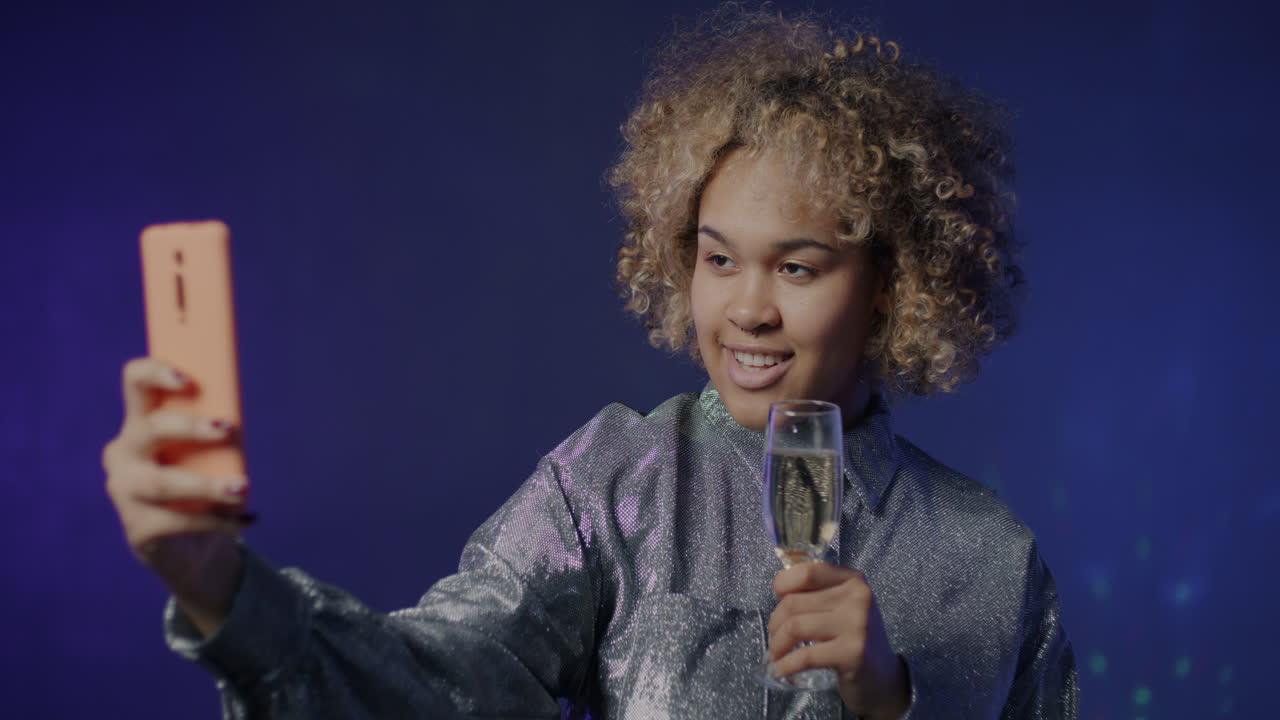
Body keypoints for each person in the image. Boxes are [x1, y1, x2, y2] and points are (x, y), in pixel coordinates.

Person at [103, 6, 1078, 719]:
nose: (745, 307)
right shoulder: (612, 484)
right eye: (718, 257)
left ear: (891, 285)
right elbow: (437, 688)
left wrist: (893, 699)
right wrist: (223, 590)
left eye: (797, 266)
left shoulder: (989, 558)